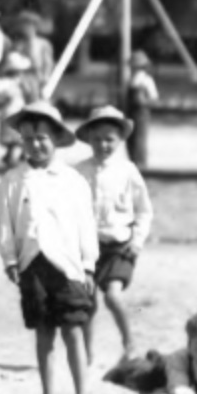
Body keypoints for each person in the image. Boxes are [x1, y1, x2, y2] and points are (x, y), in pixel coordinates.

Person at [0, 100, 100, 394]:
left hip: (68, 265)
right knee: (43, 332)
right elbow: (5, 224)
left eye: (42, 137)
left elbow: (86, 224)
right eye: (27, 138)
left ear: (56, 138)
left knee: (73, 331)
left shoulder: (72, 180)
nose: (35, 144)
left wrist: (89, 264)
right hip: (31, 264)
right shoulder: (13, 179)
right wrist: (10, 259)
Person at [74, 105, 153, 370]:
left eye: (109, 139)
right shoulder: (78, 171)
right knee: (86, 302)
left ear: (120, 140)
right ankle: (86, 352)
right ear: (88, 139)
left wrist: (137, 240)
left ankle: (130, 344)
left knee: (112, 295)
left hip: (120, 244)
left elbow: (144, 210)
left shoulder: (128, 170)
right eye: (97, 138)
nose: (103, 144)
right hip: (87, 247)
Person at [122, 51, 158, 168]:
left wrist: (144, 102)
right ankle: (133, 162)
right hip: (130, 112)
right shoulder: (131, 80)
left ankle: (141, 164)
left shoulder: (146, 80)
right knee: (130, 139)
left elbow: (154, 99)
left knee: (140, 139)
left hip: (141, 113)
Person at [10, 12, 55, 91]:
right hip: (22, 76)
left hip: (38, 76)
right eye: (23, 25)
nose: (25, 28)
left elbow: (47, 62)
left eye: (28, 25)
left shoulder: (43, 44)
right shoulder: (19, 44)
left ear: (34, 27)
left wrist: (46, 76)